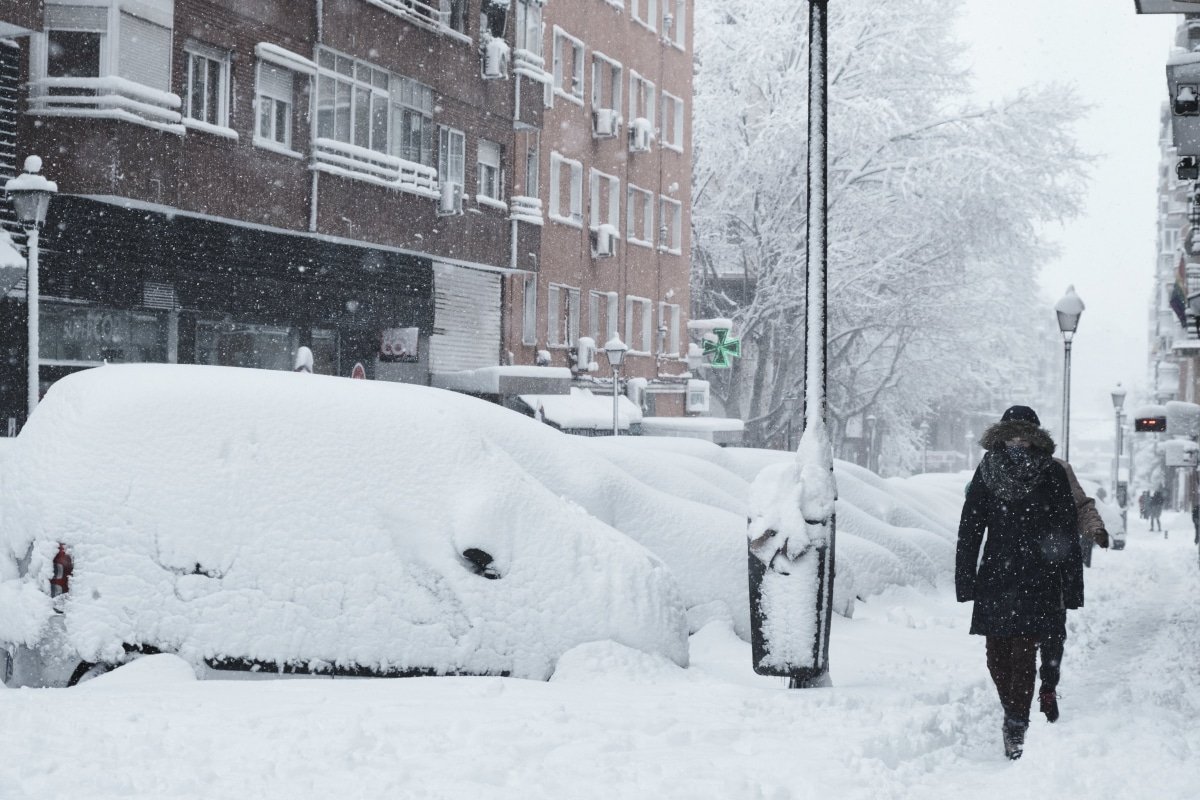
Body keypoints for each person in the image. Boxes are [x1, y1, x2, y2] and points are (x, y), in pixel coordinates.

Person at [957, 405, 1082, 760]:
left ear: (1034, 436)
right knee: (996, 656)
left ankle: (1016, 723)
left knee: (1023, 653)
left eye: (1025, 433)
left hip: (1037, 576)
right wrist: (965, 579)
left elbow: (1066, 531)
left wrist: (1069, 583)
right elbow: (970, 528)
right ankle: (1013, 708)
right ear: (1002, 434)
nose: (1018, 440)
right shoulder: (987, 471)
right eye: (1012, 433)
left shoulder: (1051, 473)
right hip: (996, 575)